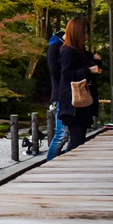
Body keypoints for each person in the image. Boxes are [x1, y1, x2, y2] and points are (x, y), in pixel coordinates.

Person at [56, 17, 102, 151]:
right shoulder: (68, 51)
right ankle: (67, 165)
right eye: (84, 33)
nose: (86, 37)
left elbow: (93, 69)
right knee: (76, 140)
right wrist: (89, 70)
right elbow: (66, 74)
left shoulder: (80, 51)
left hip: (82, 102)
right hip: (73, 104)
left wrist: (96, 62)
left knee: (80, 139)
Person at [46, 30, 68, 160]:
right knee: (61, 134)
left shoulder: (62, 47)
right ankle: (49, 162)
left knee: (64, 134)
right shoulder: (55, 47)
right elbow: (54, 71)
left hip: (63, 93)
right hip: (60, 94)